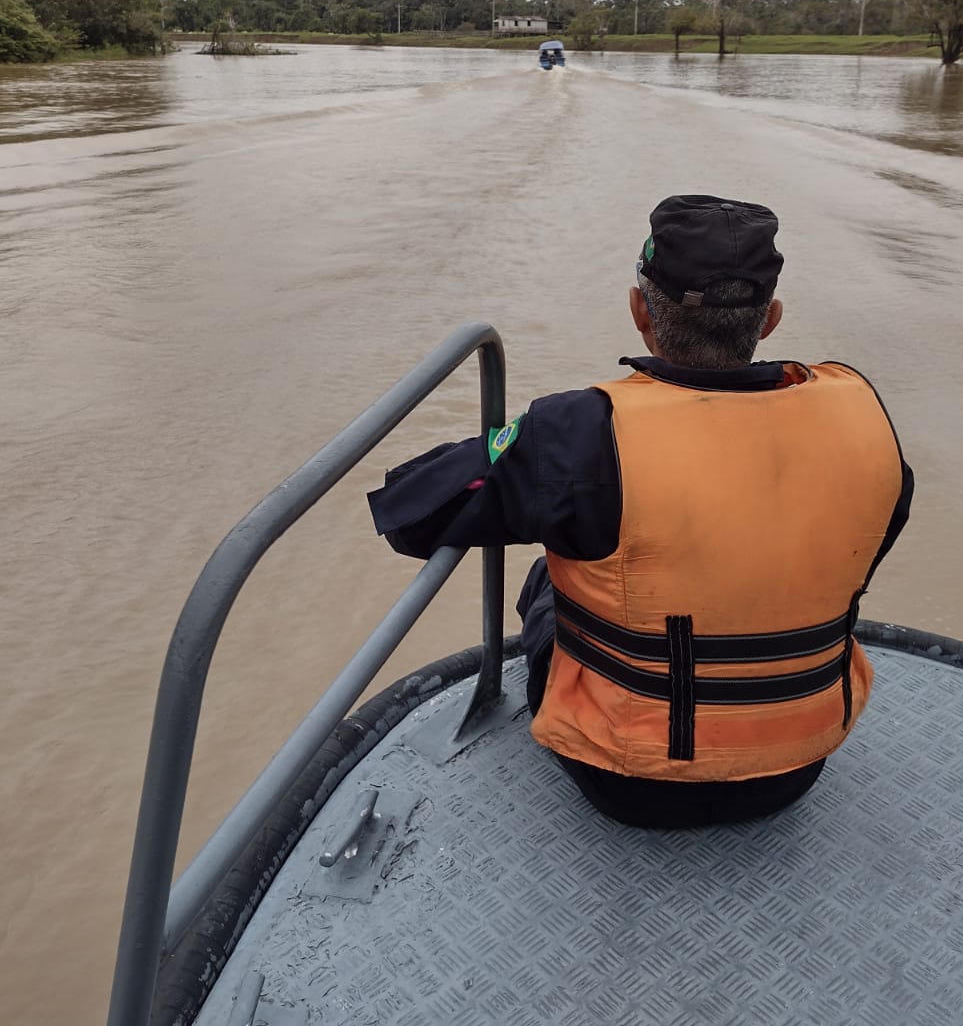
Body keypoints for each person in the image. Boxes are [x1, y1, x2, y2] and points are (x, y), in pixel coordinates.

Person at [368, 195, 912, 828]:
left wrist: (517, 454)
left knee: (554, 571)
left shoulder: (580, 432)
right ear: (770, 321)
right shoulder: (862, 418)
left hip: (626, 782)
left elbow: (412, 514)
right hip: (799, 769)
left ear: (638, 312)